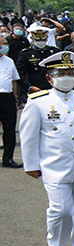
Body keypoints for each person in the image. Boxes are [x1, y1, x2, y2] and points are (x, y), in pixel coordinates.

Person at [20, 52, 74, 246]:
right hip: (54, 166)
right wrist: (31, 164)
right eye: (60, 73)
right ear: (49, 78)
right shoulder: (39, 102)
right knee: (61, 210)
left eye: (69, 72)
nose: (66, 77)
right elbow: (28, 135)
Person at [0, 36, 22, 167]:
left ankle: (8, 158)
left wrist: (15, 99)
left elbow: (14, 81)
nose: (6, 46)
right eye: (3, 43)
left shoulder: (9, 61)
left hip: (7, 97)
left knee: (9, 129)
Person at [16, 26, 58, 94]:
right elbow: (20, 74)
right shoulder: (26, 54)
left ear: (47, 38)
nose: (40, 42)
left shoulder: (54, 51)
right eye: (38, 40)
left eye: (43, 40)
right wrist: (29, 87)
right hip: (36, 88)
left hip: (54, 88)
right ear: (32, 39)